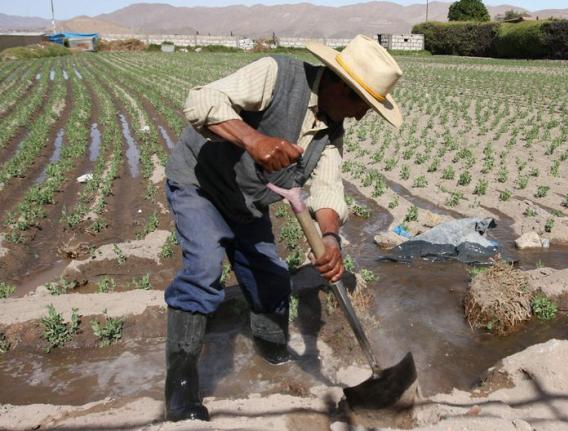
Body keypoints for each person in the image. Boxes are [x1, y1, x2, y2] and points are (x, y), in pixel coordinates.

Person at [161, 35, 403, 422]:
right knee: (204, 267)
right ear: (342, 86)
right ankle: (182, 384)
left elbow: (327, 188)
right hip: (200, 185)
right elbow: (200, 100)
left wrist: (329, 238)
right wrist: (253, 139)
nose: (360, 117)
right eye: (362, 105)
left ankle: (271, 350)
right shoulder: (277, 74)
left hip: (248, 202)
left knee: (272, 279)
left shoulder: (331, 133)